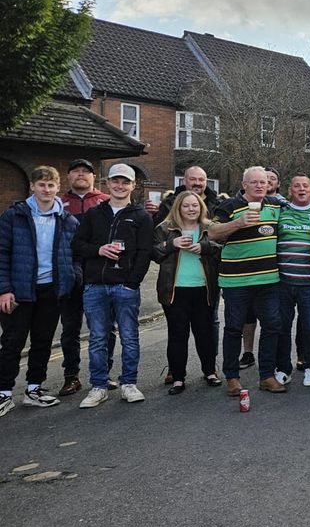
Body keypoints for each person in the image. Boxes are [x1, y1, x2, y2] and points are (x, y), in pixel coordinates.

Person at [73, 163, 154, 408]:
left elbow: (144, 252)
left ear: (133, 185)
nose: (120, 186)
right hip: (95, 285)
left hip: (125, 287)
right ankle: (98, 386)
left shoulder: (141, 216)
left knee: (129, 337)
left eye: (125, 182)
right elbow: (77, 245)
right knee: (97, 338)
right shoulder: (94, 214)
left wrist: (133, 283)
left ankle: (129, 383)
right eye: (116, 181)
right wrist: (98, 249)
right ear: (107, 183)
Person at [0, 166, 78, 416]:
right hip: (19, 291)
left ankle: (34, 388)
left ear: (57, 188)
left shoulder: (67, 220)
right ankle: (3, 392)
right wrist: (4, 289)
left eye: (51, 185)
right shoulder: (14, 216)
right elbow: (1, 254)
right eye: (41, 185)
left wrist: (72, 278)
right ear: (32, 187)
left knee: (43, 341)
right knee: (12, 342)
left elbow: (75, 255)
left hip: (51, 290)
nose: (46, 190)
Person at [208, 166, 287, 396]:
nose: (260, 186)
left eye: (263, 182)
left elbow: (301, 209)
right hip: (236, 281)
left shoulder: (276, 205)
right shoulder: (228, 207)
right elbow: (212, 233)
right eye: (254, 182)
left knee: (273, 325)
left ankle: (267, 376)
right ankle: (232, 377)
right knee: (234, 328)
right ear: (244, 185)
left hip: (269, 280)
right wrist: (238, 224)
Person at [152, 191, 221, 394]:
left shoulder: (209, 227)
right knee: (177, 335)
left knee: (205, 333)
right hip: (174, 290)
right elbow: (154, 253)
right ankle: (178, 378)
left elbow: (222, 249)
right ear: (178, 208)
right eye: (186, 206)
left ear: (201, 207)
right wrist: (170, 244)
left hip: (204, 288)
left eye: (195, 205)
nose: (191, 209)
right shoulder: (165, 228)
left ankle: (209, 372)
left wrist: (205, 247)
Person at [57, 159, 110, 396]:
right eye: (76, 171)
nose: (81, 175)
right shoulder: (59, 203)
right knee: (70, 328)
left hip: (98, 271)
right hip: (68, 272)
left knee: (105, 328)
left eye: (86, 171)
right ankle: (72, 376)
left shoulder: (105, 201)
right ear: (68, 176)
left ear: (94, 177)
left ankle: (104, 374)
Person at [275, 175, 310, 387]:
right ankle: (283, 368)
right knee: (282, 326)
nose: (301, 189)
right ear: (290, 190)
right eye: (297, 186)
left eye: (306, 186)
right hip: (283, 282)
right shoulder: (280, 213)